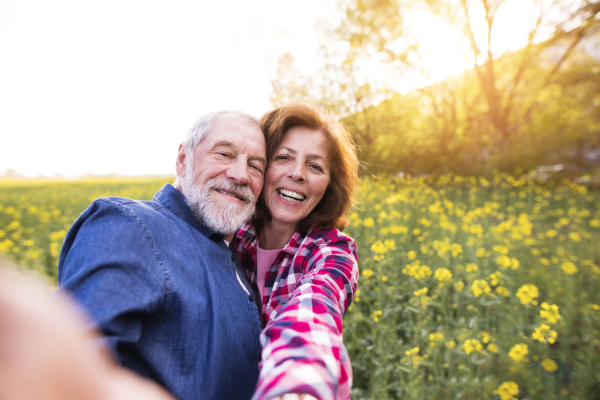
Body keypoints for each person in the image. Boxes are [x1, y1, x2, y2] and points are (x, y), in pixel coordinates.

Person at [58, 111, 268, 400]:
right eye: (224, 154)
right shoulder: (131, 224)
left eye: (255, 166)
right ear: (183, 160)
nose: (241, 174)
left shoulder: (237, 259)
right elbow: (76, 375)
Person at [232, 101, 360, 400]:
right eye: (284, 158)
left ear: (329, 185)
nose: (298, 174)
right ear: (259, 165)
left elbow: (314, 310)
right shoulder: (230, 236)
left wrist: (297, 387)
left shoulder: (333, 252)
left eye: (315, 166)